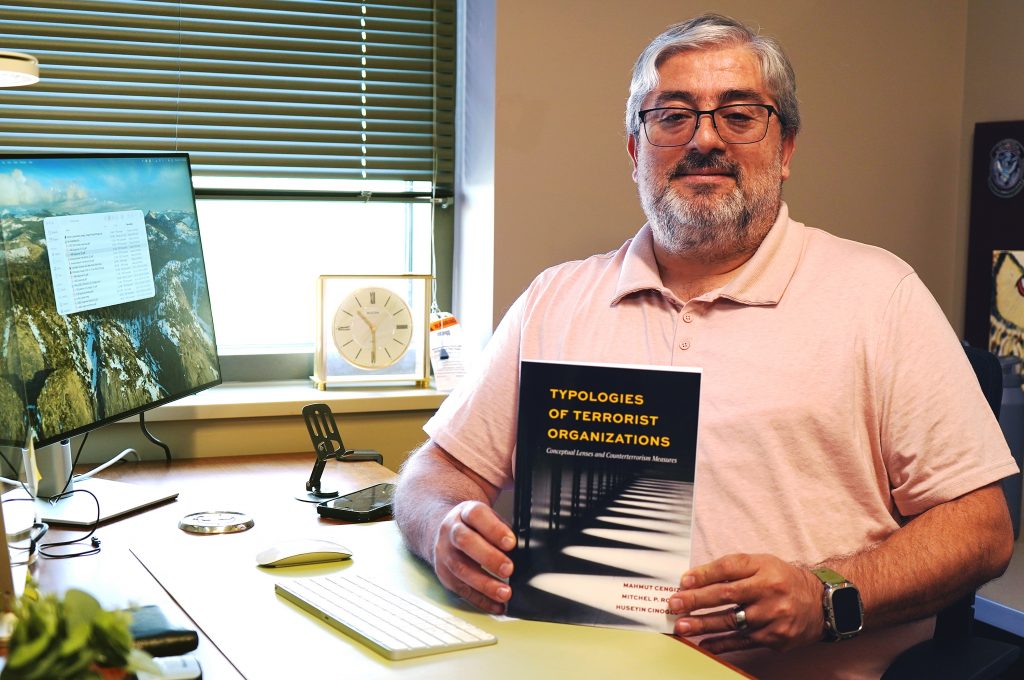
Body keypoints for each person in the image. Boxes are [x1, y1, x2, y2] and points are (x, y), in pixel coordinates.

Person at [393, 12, 1019, 679]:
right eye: (673, 117)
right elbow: (435, 472)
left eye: (740, 115)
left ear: (785, 150)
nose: (705, 140)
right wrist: (442, 528)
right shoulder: (555, 298)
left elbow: (982, 529)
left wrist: (828, 595)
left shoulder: (880, 295)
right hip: (564, 665)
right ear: (636, 151)